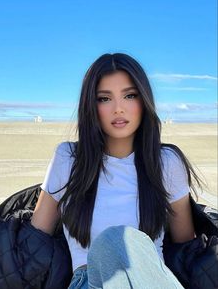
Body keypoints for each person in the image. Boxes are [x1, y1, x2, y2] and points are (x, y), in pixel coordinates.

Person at [31, 53, 201, 289]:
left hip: (149, 279)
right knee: (114, 239)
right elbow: (37, 235)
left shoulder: (166, 162)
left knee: (124, 241)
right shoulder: (68, 159)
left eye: (130, 95)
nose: (118, 109)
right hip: (89, 280)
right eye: (104, 99)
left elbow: (185, 244)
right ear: (91, 105)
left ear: (144, 101)